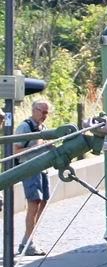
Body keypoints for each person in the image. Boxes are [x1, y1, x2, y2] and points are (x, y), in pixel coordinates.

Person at [15, 99, 52, 256]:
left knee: (42, 203)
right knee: (34, 204)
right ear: (34, 110)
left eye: (47, 113)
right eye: (42, 112)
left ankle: (27, 240)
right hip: (30, 168)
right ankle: (29, 243)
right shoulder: (25, 127)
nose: (44, 115)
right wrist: (36, 147)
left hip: (42, 169)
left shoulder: (42, 128)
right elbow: (15, 151)